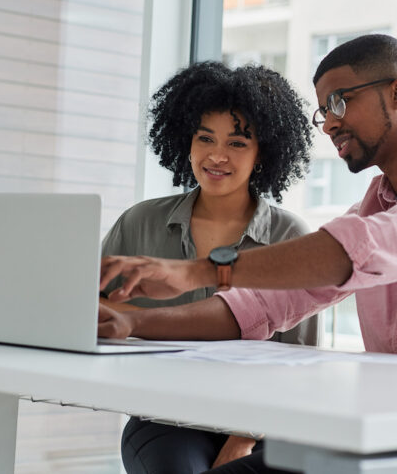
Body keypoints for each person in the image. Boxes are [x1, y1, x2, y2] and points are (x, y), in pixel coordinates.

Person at [98, 34, 397, 474]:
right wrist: (134, 322)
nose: (330, 123)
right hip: (392, 438)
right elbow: (260, 305)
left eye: (340, 101)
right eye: (323, 112)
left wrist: (197, 271)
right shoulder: (372, 209)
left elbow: (377, 244)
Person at [101, 60, 317, 473]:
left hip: (261, 426)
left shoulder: (291, 237)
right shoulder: (140, 222)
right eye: (205, 138)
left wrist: (242, 439)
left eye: (237, 143)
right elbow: (91, 311)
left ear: (263, 153)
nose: (217, 156)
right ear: (187, 141)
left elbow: (297, 366)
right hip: (164, 418)